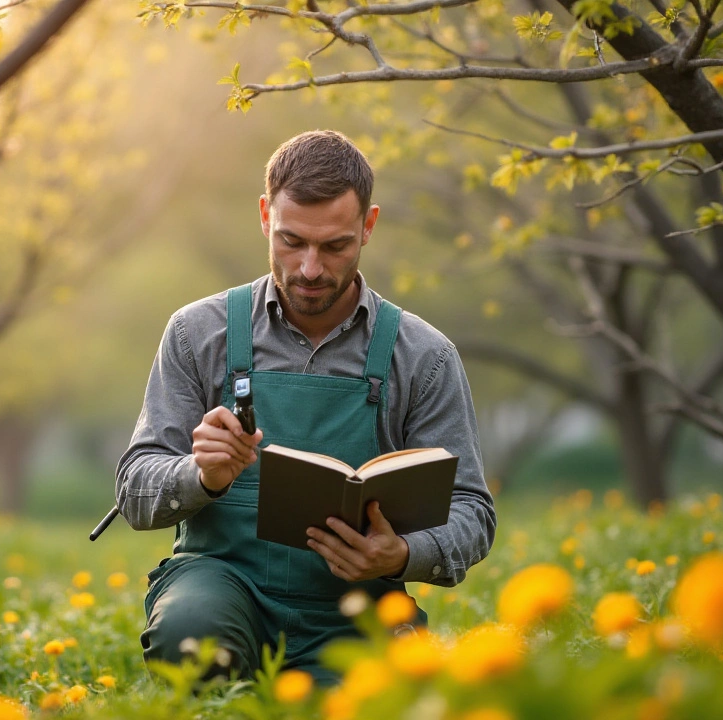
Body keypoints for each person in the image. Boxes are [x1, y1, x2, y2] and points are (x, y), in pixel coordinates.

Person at [115, 130, 495, 683]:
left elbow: (472, 513)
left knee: (401, 690)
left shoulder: (424, 356)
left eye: (335, 245)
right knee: (189, 635)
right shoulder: (199, 332)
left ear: (368, 225)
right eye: (292, 241)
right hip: (222, 582)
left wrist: (402, 555)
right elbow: (134, 490)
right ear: (266, 215)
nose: (311, 268)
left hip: (359, 604)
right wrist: (201, 474)